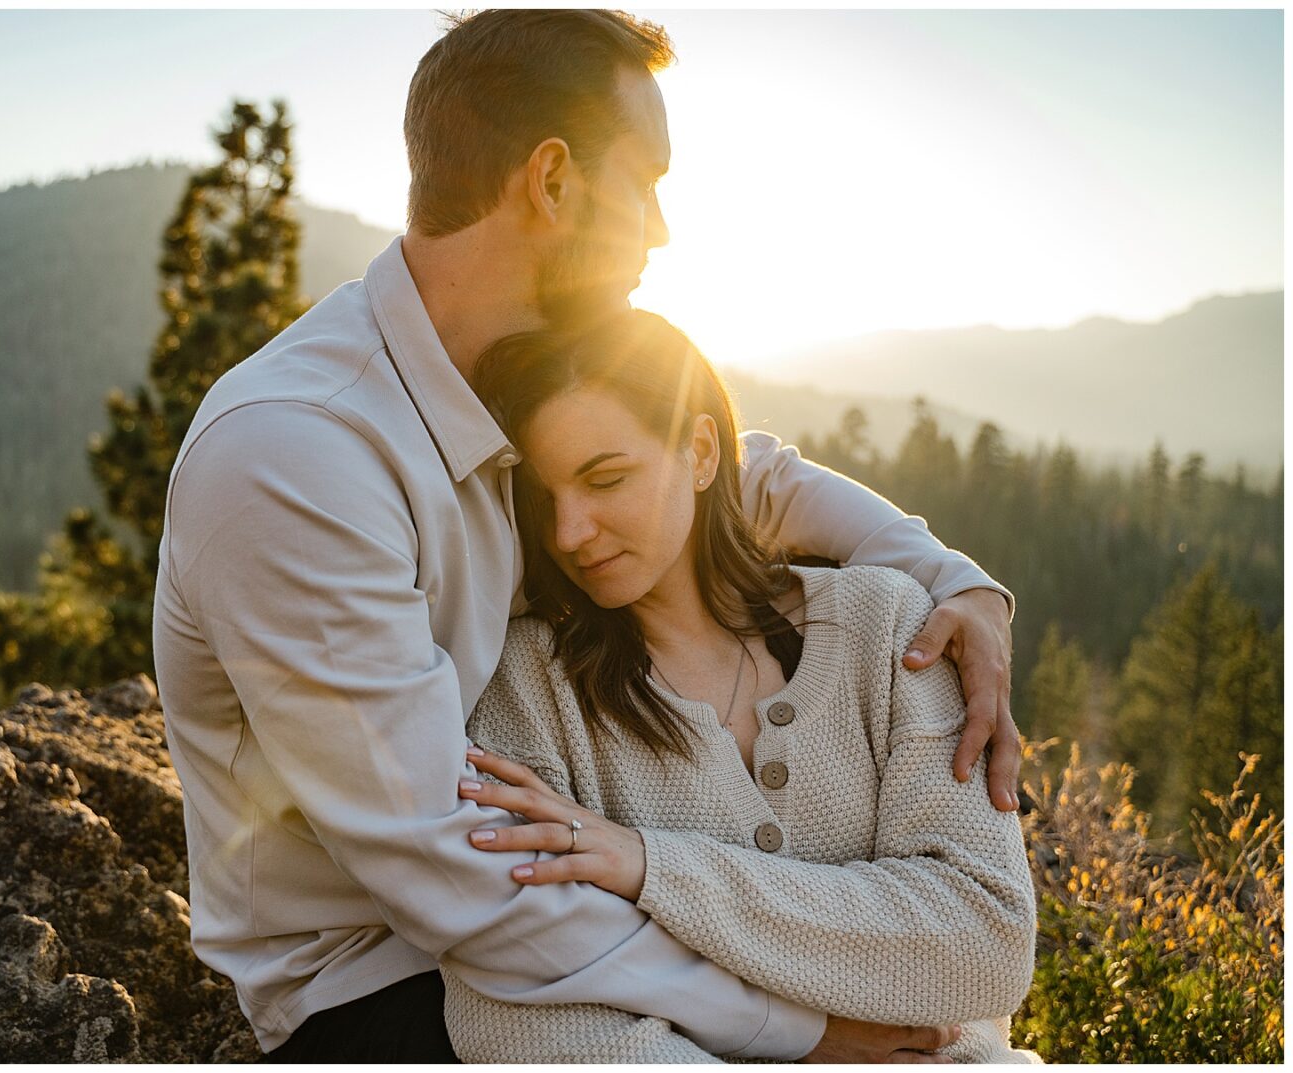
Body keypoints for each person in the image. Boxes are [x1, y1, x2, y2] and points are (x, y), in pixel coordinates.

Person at [154, 9, 1021, 1062]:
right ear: (553, 181)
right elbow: (455, 868)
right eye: (644, 179)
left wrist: (955, 586)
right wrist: (802, 1027)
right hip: (391, 980)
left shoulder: (529, 373)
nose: (660, 229)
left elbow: (747, 477)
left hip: (609, 900)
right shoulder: (296, 457)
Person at [444, 310, 1039, 1062]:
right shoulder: (527, 688)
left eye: (606, 478)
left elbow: (985, 945)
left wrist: (649, 866)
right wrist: (811, 1032)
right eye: (543, 495)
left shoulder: (889, 627)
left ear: (698, 451)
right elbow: (516, 1020)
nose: (569, 532)